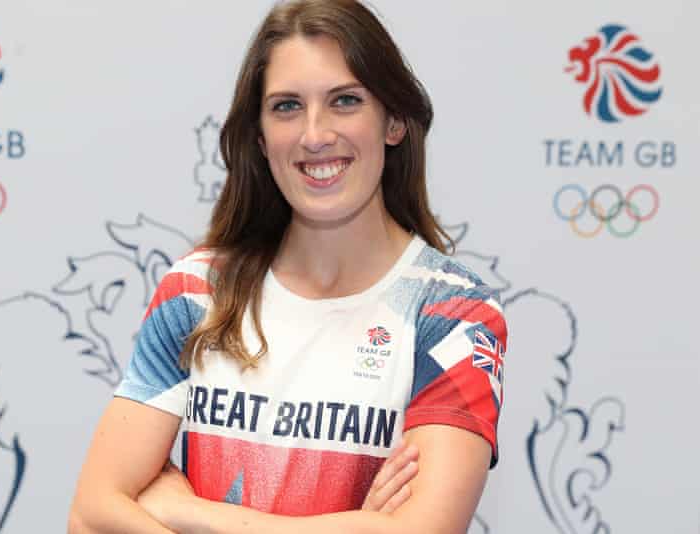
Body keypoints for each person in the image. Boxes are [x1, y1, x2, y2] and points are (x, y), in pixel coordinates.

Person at [69, 0, 507, 532]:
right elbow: (91, 517)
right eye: (286, 107)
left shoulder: (453, 309)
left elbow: (424, 529)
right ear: (259, 135)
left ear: (393, 121)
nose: (315, 134)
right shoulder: (198, 290)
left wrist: (190, 514)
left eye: (345, 101)